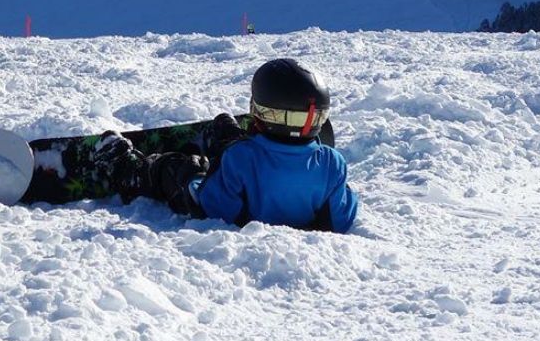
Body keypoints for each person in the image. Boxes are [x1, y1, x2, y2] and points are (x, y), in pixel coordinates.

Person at [115, 58, 359, 232]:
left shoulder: (241, 156)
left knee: (177, 167)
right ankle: (225, 135)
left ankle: (127, 168)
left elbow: (213, 206)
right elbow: (341, 219)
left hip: (233, 187)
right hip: (255, 155)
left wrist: (196, 177)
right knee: (236, 146)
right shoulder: (332, 162)